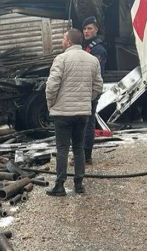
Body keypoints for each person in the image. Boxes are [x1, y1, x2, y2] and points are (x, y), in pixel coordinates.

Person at [45, 28, 103, 196]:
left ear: (69, 42)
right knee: (78, 148)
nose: (62, 41)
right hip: (83, 113)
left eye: (64, 38)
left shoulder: (61, 59)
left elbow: (52, 86)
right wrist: (86, 100)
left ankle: (60, 186)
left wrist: (51, 104)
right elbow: (98, 86)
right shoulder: (93, 60)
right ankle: (79, 185)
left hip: (63, 113)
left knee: (62, 148)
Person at [81, 16, 107, 165]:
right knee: (83, 123)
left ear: (96, 30)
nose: (86, 31)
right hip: (83, 90)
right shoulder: (87, 47)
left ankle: (86, 155)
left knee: (88, 123)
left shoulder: (98, 49)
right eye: (84, 28)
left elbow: (97, 74)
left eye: (89, 28)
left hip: (90, 92)